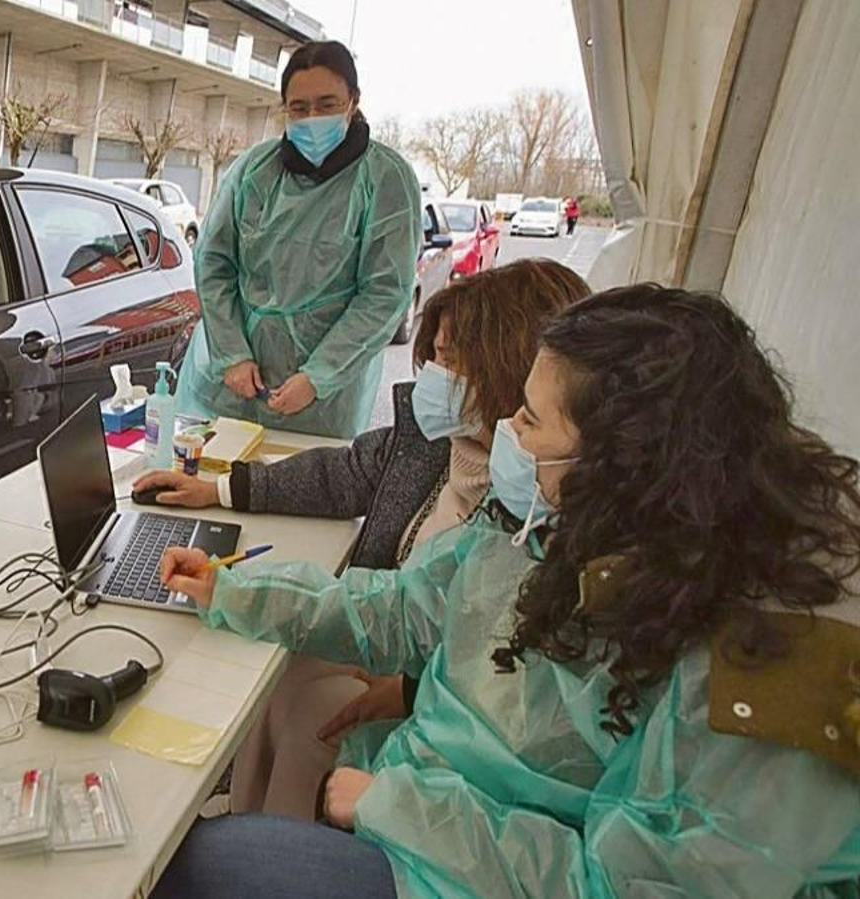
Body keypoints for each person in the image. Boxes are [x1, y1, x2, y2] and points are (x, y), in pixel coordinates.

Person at [154, 284, 860, 898]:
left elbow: (629, 885)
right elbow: (403, 609)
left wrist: (396, 805)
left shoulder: (769, 664)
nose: (508, 435)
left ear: (623, 455)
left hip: (463, 865)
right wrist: (235, 589)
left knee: (205, 867)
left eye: (531, 418)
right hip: (433, 824)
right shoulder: (570, 522)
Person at [133, 259, 589, 819]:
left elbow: (496, 680)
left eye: (449, 360)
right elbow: (349, 488)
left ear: (508, 370)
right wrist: (223, 498)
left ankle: (271, 846)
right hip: (403, 657)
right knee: (274, 679)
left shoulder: (532, 512)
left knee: (306, 717)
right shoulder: (447, 449)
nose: (432, 378)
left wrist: (410, 690)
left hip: (432, 714)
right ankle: (251, 823)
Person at [178, 40, 421, 438]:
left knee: (301, 490)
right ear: (285, 108)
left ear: (353, 101)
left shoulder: (384, 179)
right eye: (299, 107)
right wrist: (232, 354)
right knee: (206, 486)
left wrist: (319, 375)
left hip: (320, 405)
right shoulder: (253, 172)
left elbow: (384, 293)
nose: (312, 118)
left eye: (327, 104)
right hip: (230, 387)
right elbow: (214, 263)